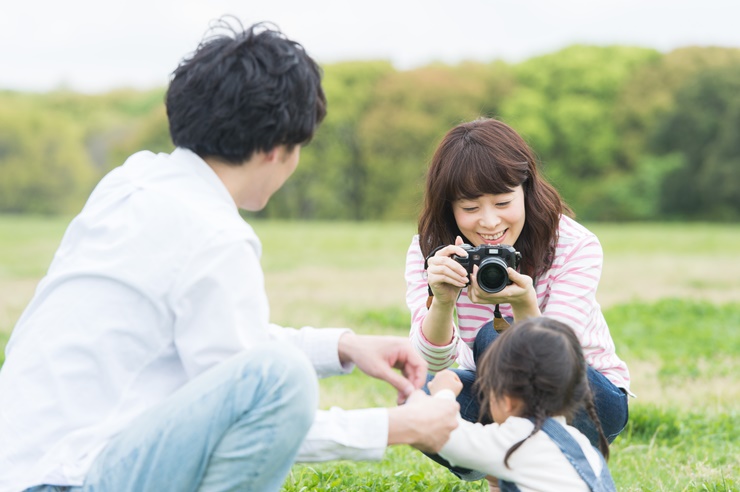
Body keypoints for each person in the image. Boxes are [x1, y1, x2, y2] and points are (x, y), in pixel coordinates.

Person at [0, 17, 459, 492]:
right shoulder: (215, 235)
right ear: (275, 149)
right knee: (283, 381)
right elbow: (257, 409)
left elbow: (222, 349)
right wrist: (402, 426)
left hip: (21, 465)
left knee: (276, 373)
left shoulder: (131, 182)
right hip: (69, 479)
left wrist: (342, 347)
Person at [404, 117, 630, 479]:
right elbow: (431, 360)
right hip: (496, 398)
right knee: (417, 394)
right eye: (471, 208)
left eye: (503, 201)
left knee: (497, 337)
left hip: (585, 396)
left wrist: (526, 308)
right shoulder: (431, 251)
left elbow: (560, 361)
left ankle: (508, 465)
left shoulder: (573, 244)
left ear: (526, 190)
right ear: (449, 207)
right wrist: (443, 301)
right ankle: (503, 473)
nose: (489, 222)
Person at [428, 317, 616, 492]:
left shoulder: (514, 439)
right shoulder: (583, 445)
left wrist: (444, 394)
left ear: (507, 401)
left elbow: (449, 439)